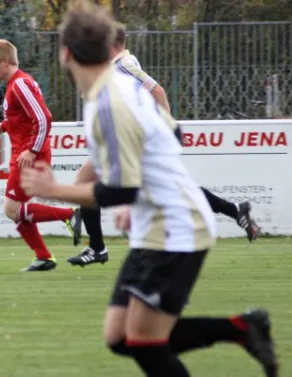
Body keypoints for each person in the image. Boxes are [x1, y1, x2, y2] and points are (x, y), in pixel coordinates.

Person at [20, 2, 278, 376]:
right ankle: (240, 328)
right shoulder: (120, 86)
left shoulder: (108, 102)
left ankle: (242, 329)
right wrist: (138, 192)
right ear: (111, 48)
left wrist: (53, 189)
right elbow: (173, 133)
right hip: (159, 225)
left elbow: (118, 191)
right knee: (119, 337)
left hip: (175, 230)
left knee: (143, 342)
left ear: (64, 54)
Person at [67, 22, 259, 269]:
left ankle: (98, 248)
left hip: (138, 139)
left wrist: (167, 127)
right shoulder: (117, 66)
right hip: (128, 138)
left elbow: (157, 90)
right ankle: (235, 211)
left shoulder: (124, 64)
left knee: (161, 189)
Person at [0, 39, 79, 272]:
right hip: (25, 152)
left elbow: (43, 118)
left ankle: (70, 215)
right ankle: (44, 257)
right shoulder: (17, 84)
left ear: (5, 62)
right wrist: (4, 126)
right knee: (17, 212)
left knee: (11, 210)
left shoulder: (19, 85)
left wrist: (31, 150)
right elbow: (23, 118)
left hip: (29, 155)